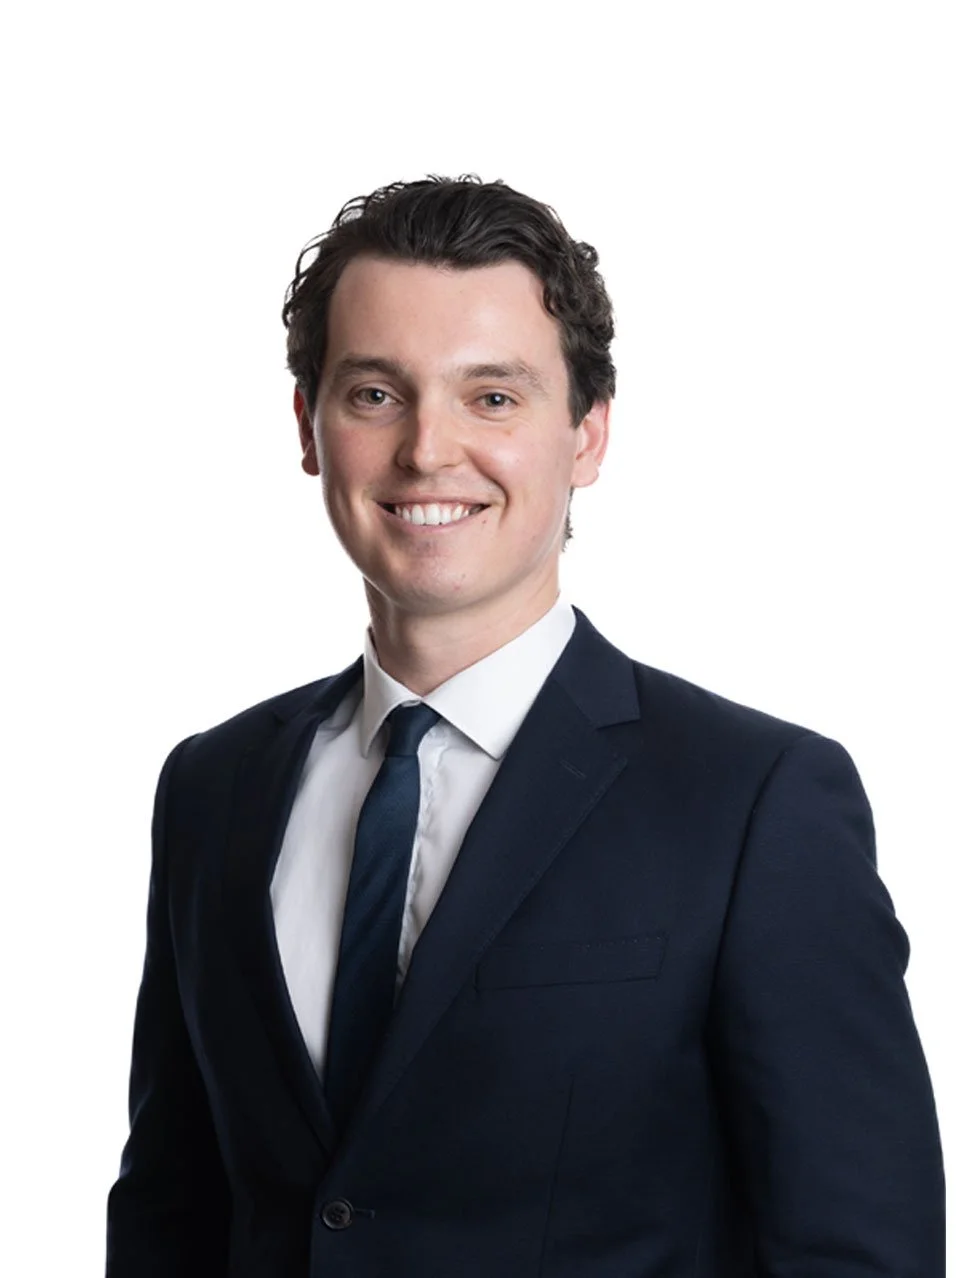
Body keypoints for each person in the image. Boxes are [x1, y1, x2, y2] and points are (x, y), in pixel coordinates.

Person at [105, 176, 945, 1277]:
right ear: (309, 429)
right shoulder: (214, 789)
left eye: (491, 398)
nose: (427, 451)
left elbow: (860, 1254)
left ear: (587, 437)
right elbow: (172, 1214)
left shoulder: (754, 803)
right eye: (374, 394)